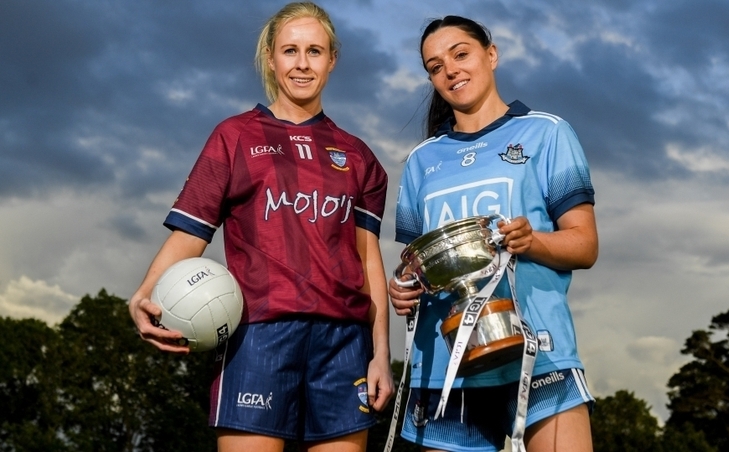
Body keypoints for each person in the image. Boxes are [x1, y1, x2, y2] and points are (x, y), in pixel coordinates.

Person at [128, 3, 393, 451]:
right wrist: (143, 294)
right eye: (290, 50)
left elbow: (368, 259)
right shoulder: (234, 136)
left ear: (332, 60)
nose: (302, 63)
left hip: (343, 344)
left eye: (315, 51)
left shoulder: (358, 155)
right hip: (258, 335)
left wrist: (381, 352)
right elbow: (191, 234)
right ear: (271, 58)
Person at [388, 15, 598, 452]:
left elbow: (584, 244)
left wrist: (532, 241)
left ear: (491, 53)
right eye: (434, 66)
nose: (450, 70)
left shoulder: (546, 132)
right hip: (446, 366)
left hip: (539, 352)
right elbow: (415, 263)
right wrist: (403, 288)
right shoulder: (422, 161)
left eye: (460, 54)